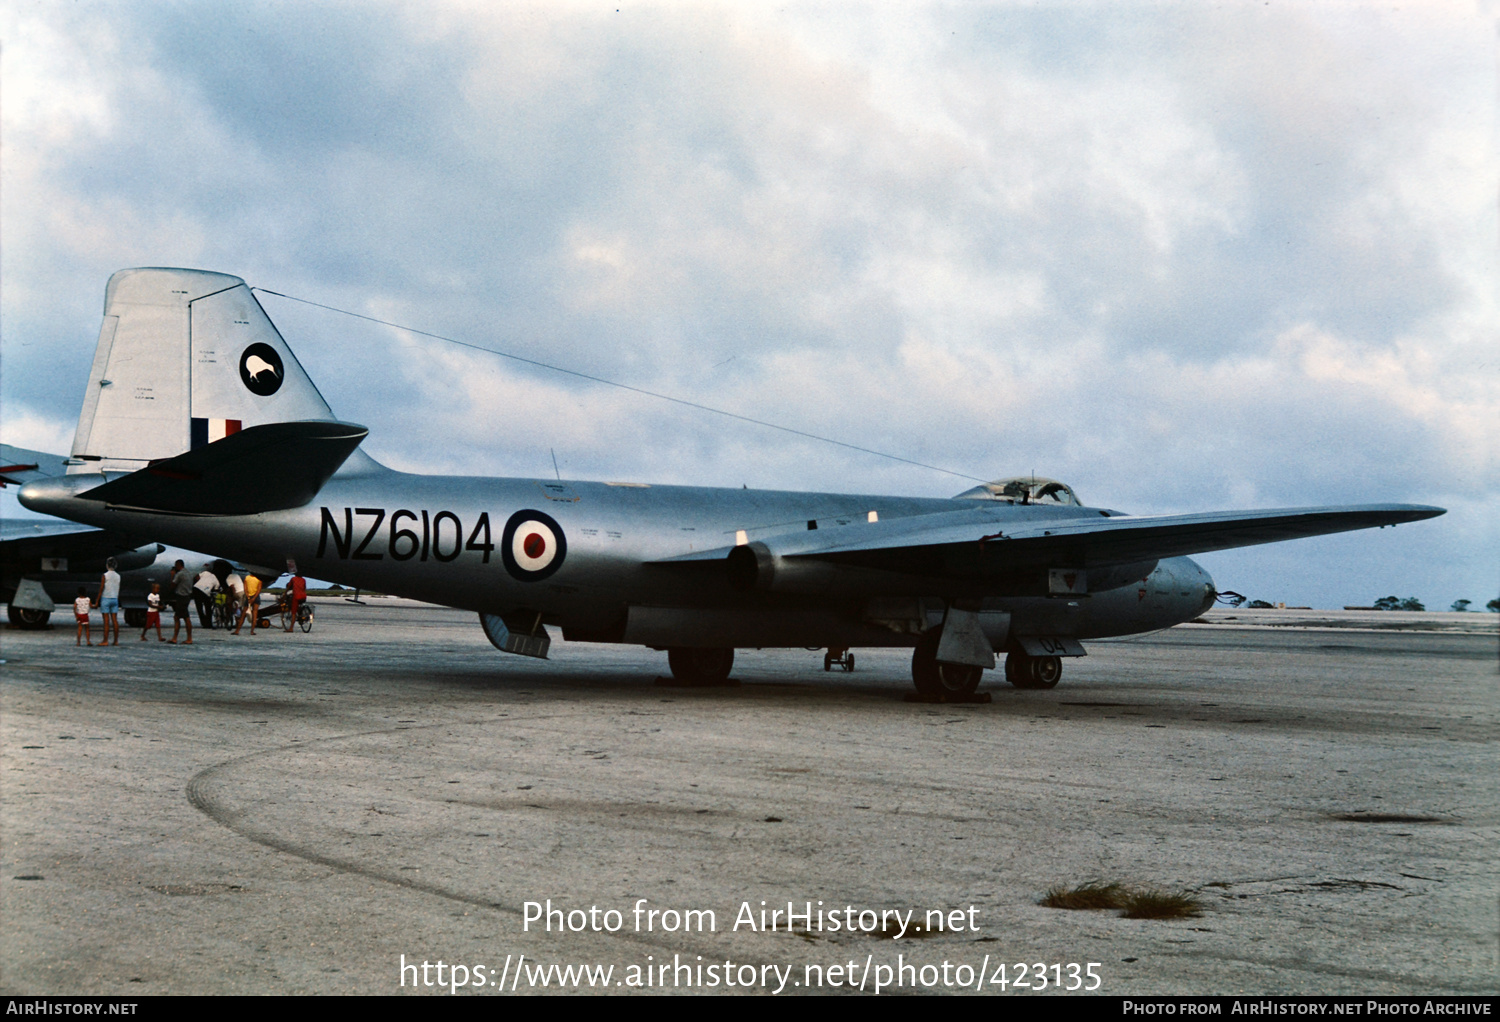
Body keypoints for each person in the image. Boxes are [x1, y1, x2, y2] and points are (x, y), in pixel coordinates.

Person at [167, 559, 194, 644]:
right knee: (180, 617)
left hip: (181, 596)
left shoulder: (179, 574)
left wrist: (172, 575)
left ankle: (186, 638)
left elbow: (172, 585)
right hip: (187, 596)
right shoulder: (189, 573)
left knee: (184, 618)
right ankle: (176, 637)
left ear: (178, 565)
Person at [96, 557, 121, 646]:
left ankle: (105, 640)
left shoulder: (105, 575)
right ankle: (116, 640)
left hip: (106, 598)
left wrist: (97, 601)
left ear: (107, 565)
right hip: (115, 598)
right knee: (115, 620)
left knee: (106, 621)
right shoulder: (118, 576)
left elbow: (101, 588)